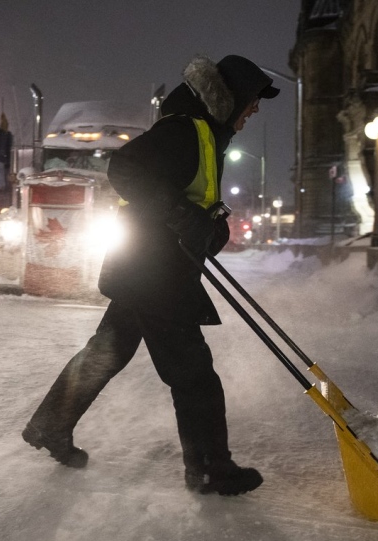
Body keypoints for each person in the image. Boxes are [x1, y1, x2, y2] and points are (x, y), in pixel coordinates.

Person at [22, 54, 279, 496]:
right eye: (252, 101)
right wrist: (182, 216)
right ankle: (210, 469)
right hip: (156, 274)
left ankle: (50, 425)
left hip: (148, 268)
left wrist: (208, 224)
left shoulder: (205, 135)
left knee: (107, 352)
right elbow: (125, 169)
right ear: (230, 97)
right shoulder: (184, 129)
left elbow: (182, 197)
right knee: (194, 375)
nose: (254, 110)